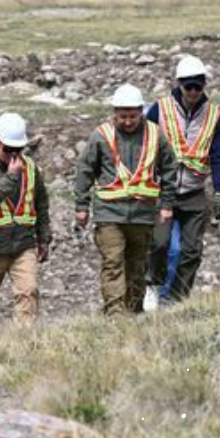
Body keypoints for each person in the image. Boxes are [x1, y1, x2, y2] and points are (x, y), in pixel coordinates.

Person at [74, 84, 178, 316]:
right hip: (109, 214)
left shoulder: (155, 135)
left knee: (137, 266)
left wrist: (167, 203)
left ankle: (134, 312)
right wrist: (81, 206)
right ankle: (115, 315)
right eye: (123, 117)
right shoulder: (101, 136)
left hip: (143, 215)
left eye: (132, 116)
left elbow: (170, 168)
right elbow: (85, 170)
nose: (128, 121)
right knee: (113, 263)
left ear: (141, 111)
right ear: (115, 113)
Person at [144, 56, 220, 309]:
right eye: (188, 87)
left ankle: (176, 299)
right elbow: (144, 145)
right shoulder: (160, 110)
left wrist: (219, 191)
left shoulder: (213, 116)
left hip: (194, 191)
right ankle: (153, 285)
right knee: (160, 243)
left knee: (191, 251)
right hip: (163, 190)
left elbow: (219, 155)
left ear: (204, 86)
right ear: (179, 85)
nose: (193, 92)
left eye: (197, 87)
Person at [0, 112, 51, 335]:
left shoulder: (30, 168)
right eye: (9, 149)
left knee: (28, 291)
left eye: (18, 150)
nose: (14, 155)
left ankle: (22, 342)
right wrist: (11, 178)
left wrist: (44, 239)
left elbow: (41, 204)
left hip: (23, 245)